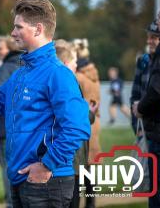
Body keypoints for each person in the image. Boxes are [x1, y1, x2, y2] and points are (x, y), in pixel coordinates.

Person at [0, 0, 91, 208]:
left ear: (38, 29)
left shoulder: (58, 74)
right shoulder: (21, 73)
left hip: (48, 182)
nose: (13, 33)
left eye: (18, 27)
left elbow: (77, 128)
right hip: (21, 178)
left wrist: (47, 165)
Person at [134, 0, 160, 208]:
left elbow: (158, 90)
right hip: (157, 129)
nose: (158, 19)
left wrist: (140, 108)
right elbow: (139, 90)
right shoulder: (145, 59)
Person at [0, 35, 21, 208]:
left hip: (3, 126)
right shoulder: (22, 63)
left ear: (9, 49)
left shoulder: (6, 67)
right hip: (17, 125)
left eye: (1, 48)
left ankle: (11, 203)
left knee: (7, 167)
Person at [72, 38, 101, 208]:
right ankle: (91, 203)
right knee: (91, 166)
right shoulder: (94, 74)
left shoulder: (78, 77)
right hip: (94, 123)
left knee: (80, 167)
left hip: (82, 123)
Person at [130, 20, 160, 134]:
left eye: (153, 38)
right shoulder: (142, 61)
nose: (148, 41)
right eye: (148, 37)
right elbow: (135, 96)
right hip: (144, 129)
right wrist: (136, 127)